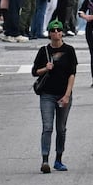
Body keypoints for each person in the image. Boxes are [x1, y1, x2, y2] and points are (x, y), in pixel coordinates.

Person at [32, 20, 77, 174]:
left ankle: (58, 159)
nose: (56, 33)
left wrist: (67, 95)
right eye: (53, 30)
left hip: (63, 94)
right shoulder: (43, 51)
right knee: (47, 127)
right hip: (47, 95)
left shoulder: (69, 50)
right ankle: (45, 160)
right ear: (49, 34)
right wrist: (46, 68)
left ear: (62, 33)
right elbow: (34, 71)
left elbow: (72, 74)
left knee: (61, 128)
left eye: (59, 30)